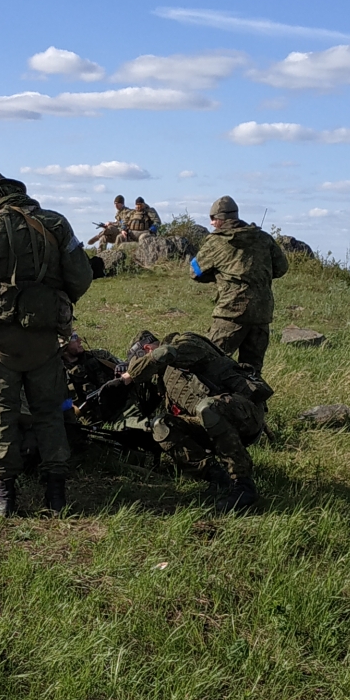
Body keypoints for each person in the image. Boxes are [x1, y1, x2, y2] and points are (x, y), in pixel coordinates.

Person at [0, 172, 93, 516]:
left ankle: (4, 498)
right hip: (47, 337)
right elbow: (81, 277)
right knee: (49, 412)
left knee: (3, 411)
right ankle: (56, 496)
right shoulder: (57, 223)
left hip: (3, 339)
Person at [119, 330, 272, 511]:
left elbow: (165, 353)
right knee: (161, 425)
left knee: (208, 407)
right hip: (214, 424)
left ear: (146, 349)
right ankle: (218, 479)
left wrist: (131, 375)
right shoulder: (164, 381)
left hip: (245, 416)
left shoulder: (186, 342)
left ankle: (243, 484)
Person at [189, 195, 289, 376]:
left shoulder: (215, 241)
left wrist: (220, 275)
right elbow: (282, 268)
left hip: (231, 312)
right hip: (261, 313)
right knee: (252, 373)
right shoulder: (264, 238)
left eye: (212, 219)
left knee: (209, 365)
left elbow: (195, 271)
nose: (211, 224)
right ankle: (252, 404)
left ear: (218, 219)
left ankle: (216, 404)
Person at [60, 331, 123, 450]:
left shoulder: (99, 356)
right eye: (74, 338)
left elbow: (125, 369)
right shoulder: (56, 372)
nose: (80, 340)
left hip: (118, 410)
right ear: (63, 345)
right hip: (88, 425)